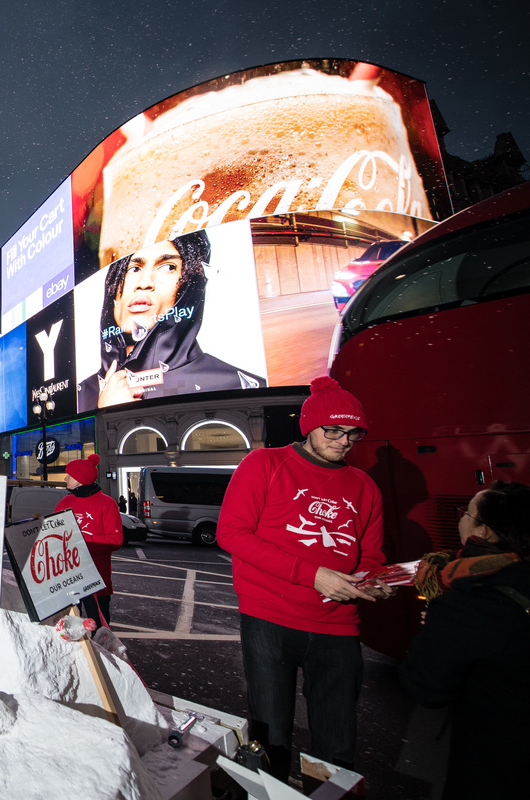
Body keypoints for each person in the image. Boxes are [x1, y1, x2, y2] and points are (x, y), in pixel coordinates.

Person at [217, 376, 394, 780]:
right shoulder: (264, 464)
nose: (343, 441)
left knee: (337, 740)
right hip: (269, 616)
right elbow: (231, 532)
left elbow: (370, 554)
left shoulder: (364, 486)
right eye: (332, 430)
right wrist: (313, 575)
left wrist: (375, 580)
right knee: (271, 731)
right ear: (309, 425)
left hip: (338, 625)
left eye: (353, 433)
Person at [400, 481, 530, 799]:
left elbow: (425, 686)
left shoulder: (469, 602)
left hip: (499, 763)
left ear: (482, 532)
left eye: (465, 512)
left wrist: (435, 623)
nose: (461, 518)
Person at [78, 230, 264, 410]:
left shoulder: (239, 387)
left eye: (168, 267)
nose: (144, 283)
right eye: (133, 268)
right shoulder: (81, 395)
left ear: (191, 284)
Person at [53, 453, 122, 625]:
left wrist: (80, 540)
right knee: (68, 626)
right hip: (68, 577)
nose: (65, 478)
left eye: (70, 475)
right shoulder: (65, 502)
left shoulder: (107, 503)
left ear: (81, 478)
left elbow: (115, 540)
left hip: (96, 579)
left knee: (99, 627)